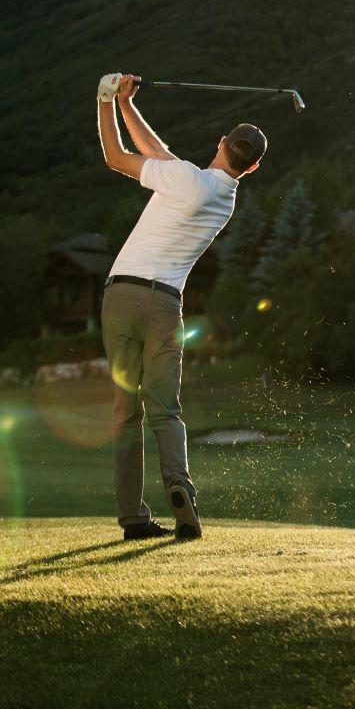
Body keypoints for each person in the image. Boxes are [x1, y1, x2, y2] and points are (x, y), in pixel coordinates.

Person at [95, 72, 266, 541]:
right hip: (166, 306)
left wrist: (105, 100)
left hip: (122, 297)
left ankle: (132, 517)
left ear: (221, 142)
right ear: (250, 169)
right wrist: (129, 106)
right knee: (165, 410)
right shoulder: (221, 199)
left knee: (124, 411)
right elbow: (161, 157)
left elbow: (116, 157)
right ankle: (180, 489)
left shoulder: (185, 178)